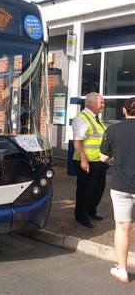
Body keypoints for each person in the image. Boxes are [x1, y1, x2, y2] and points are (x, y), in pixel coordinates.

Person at [100, 97, 135, 284]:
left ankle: (122, 270)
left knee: (122, 227)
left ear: (124, 110)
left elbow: (103, 157)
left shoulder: (112, 130)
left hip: (121, 186)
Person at [72, 92, 107, 228]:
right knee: (85, 189)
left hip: (99, 160)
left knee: (99, 187)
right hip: (86, 161)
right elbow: (77, 141)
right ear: (90, 103)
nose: (103, 105)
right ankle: (81, 215)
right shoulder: (82, 118)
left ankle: (91, 211)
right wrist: (83, 160)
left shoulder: (97, 118)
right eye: (101, 102)